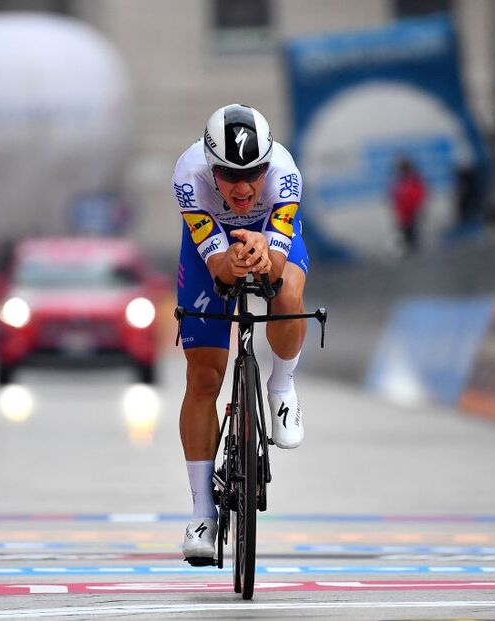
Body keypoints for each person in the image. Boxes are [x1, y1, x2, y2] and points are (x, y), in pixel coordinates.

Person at [173, 104, 309, 564]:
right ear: (211, 169)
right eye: (230, 176)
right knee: (204, 379)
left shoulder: (287, 174)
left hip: (271, 235)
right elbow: (217, 267)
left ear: (269, 164)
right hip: (208, 246)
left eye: (254, 173)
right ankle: (202, 514)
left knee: (287, 293)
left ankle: (281, 383)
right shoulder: (187, 176)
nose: (245, 187)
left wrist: (262, 251)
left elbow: (273, 267)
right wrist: (231, 261)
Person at [390, 158, 426, 253]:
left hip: (412, 209)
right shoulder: (399, 181)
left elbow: (420, 193)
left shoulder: (414, 180)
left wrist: (418, 206)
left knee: (412, 228)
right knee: (405, 228)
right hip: (403, 210)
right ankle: (408, 245)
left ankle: (413, 246)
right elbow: (395, 195)